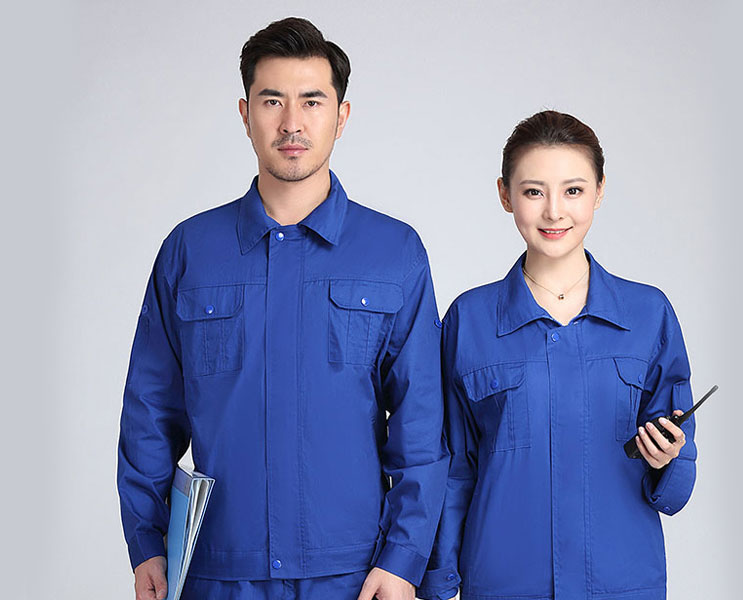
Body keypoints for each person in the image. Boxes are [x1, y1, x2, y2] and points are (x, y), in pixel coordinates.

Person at [117, 17, 448, 600]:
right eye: (272, 101)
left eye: (312, 101)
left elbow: (420, 423)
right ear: (245, 114)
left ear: (341, 117)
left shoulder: (393, 253)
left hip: (353, 575)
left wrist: (403, 560)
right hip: (218, 572)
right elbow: (150, 411)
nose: (292, 122)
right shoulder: (190, 251)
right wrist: (147, 543)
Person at [417, 111, 697, 600]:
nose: (553, 212)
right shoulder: (470, 319)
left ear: (599, 192)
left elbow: (677, 464)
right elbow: (453, 466)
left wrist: (667, 458)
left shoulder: (647, 314)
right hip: (504, 582)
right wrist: (439, 582)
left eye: (573, 190)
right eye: (533, 191)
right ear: (505, 194)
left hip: (620, 582)